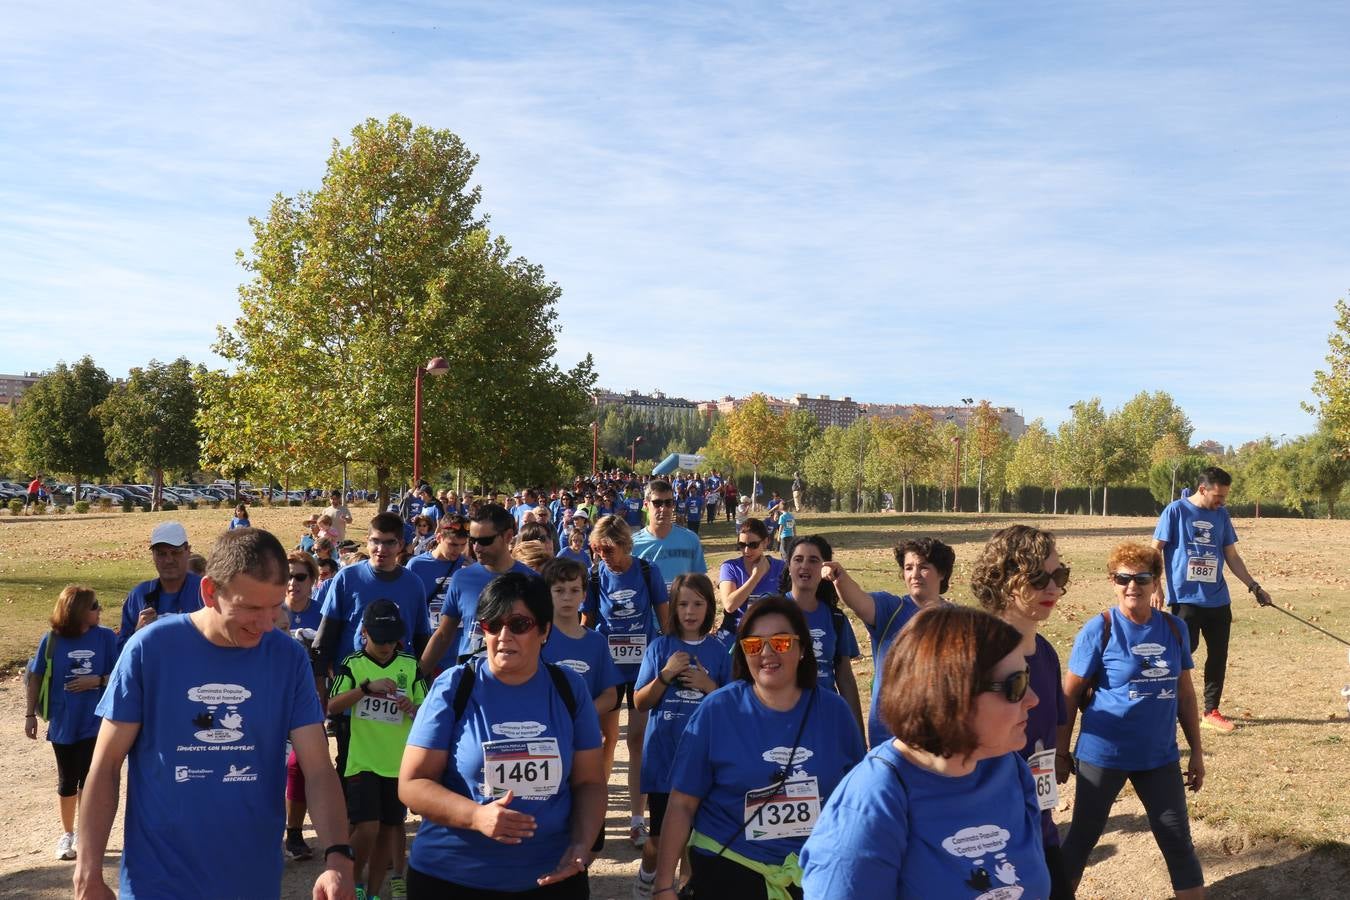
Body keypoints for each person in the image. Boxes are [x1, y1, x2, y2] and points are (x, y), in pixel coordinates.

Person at [75, 528, 355, 900]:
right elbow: (106, 765)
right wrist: (88, 873)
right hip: (157, 882)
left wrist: (338, 857)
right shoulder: (151, 649)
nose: (266, 623)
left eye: (275, 607)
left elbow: (318, 768)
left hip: (251, 881)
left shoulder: (287, 658)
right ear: (210, 592)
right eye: (251, 608)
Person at [799, 605, 1050, 898]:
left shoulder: (1009, 770)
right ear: (954, 695)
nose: (1033, 699)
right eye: (1016, 685)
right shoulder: (874, 801)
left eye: (1027, 676)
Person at [398, 572, 605, 897]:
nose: (503, 635)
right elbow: (412, 784)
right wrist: (476, 816)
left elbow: (589, 782)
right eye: (492, 624)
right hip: (451, 877)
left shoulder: (569, 688)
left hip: (552, 876)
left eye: (519, 624)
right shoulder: (454, 687)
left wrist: (582, 844)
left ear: (544, 630)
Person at [654, 596, 865, 899]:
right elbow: (682, 803)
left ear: (803, 648)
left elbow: (856, 804)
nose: (766, 653)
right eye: (754, 644)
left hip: (817, 872)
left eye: (780, 643)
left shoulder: (835, 713)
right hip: (731, 866)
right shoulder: (716, 710)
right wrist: (663, 885)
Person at [1058, 542, 1206, 899]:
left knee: (1177, 839)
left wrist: (1197, 752)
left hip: (1159, 756)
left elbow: (1185, 695)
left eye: (1142, 577)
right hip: (1103, 754)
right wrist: (1060, 754)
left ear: (1156, 582)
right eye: (1123, 578)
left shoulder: (1174, 628)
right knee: (1083, 836)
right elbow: (1069, 694)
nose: (1132, 586)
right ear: (1112, 580)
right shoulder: (1100, 628)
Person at [970, 525, 1071, 897]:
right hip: (987, 841)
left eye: (1059, 575)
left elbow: (1051, 732)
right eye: (1039, 577)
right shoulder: (975, 654)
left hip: (1040, 833)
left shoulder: (1046, 654)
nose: (1054, 589)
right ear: (1003, 578)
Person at [1152, 466, 1272, 733]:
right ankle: (1164, 705)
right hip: (1186, 600)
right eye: (1218, 496)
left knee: (1218, 656)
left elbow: (1231, 555)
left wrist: (1254, 586)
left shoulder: (1221, 515)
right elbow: (1154, 551)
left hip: (1218, 601)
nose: (1222, 501)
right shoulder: (1175, 511)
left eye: (1225, 497)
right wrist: (1155, 587)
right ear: (1203, 489)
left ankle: (1211, 711)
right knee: (1180, 655)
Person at [632, 573, 731, 897]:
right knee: (659, 843)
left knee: (693, 840)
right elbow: (639, 701)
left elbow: (733, 707)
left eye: (698, 604)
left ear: (709, 607)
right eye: (684, 603)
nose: (690, 611)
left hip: (703, 761)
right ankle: (648, 876)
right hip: (664, 761)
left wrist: (708, 687)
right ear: (673, 607)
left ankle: (687, 891)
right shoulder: (661, 647)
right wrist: (665, 675)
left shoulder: (718, 651)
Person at [582, 514, 672, 850]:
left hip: (642, 666)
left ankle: (637, 819)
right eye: (598, 549)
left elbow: (664, 621)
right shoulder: (595, 575)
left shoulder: (647, 571)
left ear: (625, 544)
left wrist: (665, 656)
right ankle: (598, 813)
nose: (604, 555)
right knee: (605, 740)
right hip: (607, 667)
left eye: (609, 549)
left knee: (636, 741)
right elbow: (587, 623)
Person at [329, 600, 428, 900]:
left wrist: (413, 708)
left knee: (389, 827)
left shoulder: (410, 666)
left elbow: (428, 710)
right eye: (379, 638)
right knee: (367, 826)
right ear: (364, 633)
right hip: (362, 760)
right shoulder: (353, 664)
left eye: (391, 638)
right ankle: (352, 881)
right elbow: (332, 705)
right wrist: (365, 689)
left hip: (398, 763)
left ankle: (372, 892)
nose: (385, 645)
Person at [826, 537, 955, 749]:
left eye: (923, 567)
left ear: (941, 573)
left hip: (941, 738)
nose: (914, 575)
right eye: (908, 567)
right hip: (889, 739)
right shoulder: (890, 609)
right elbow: (858, 600)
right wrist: (839, 577)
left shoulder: (960, 620)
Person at [24, 585, 117, 862]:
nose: (99, 609)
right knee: (67, 780)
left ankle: (87, 833)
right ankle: (68, 834)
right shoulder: (52, 640)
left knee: (90, 781)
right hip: (64, 722)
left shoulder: (106, 638)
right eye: (94, 605)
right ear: (77, 611)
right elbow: (36, 676)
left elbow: (120, 675)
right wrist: (30, 715)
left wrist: (97, 680)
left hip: (97, 721)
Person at [421, 504, 535, 673]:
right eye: (472, 540)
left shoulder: (532, 582)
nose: (476, 548)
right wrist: (417, 678)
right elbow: (443, 635)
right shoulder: (462, 578)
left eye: (485, 541)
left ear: (508, 536)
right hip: (469, 684)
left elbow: (544, 638)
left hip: (515, 683)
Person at [779, 536, 864, 738]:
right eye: (798, 559)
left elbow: (845, 679)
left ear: (825, 568)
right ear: (789, 566)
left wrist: (858, 735)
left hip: (825, 718)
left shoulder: (836, 618)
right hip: (780, 717)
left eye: (813, 560)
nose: (805, 566)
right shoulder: (769, 612)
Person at [539, 557, 624, 720]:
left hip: (584, 735)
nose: (567, 597)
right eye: (559, 590)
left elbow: (610, 695)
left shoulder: (597, 642)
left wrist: (582, 713)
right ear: (547, 594)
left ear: (584, 595)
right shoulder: (536, 638)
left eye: (574, 590)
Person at [283, 551, 325, 862]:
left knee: (301, 767)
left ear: (312, 580)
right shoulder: (270, 613)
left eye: (300, 576)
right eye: (287, 576)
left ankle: (294, 831)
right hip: (273, 702)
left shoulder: (323, 616)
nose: (293, 583)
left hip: (309, 704)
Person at [117, 521, 204, 652]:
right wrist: (138, 634)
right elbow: (120, 653)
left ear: (188, 551)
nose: (169, 560)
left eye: (175, 552)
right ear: (153, 556)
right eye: (161, 553)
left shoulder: (205, 592)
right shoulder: (140, 596)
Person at [407, 516, 471, 674]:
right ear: (439, 537)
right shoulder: (417, 566)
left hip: (459, 649)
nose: (458, 550)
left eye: (463, 545)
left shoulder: (468, 566)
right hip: (427, 647)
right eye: (453, 544)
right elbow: (408, 608)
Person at [632, 479, 708, 589]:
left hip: (682, 606)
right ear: (646, 505)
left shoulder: (691, 540)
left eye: (668, 503)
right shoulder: (633, 544)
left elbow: (700, 582)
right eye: (657, 503)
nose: (663, 509)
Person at [717, 518, 786, 638]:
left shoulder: (781, 568)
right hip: (736, 632)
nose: (746, 550)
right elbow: (730, 605)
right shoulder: (730, 567)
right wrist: (756, 576)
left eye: (753, 545)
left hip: (770, 634)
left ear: (766, 542)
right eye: (742, 545)